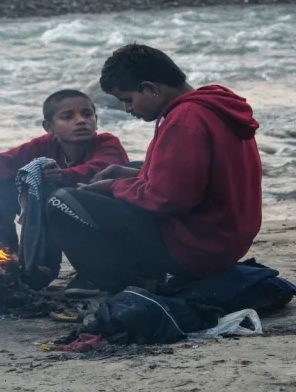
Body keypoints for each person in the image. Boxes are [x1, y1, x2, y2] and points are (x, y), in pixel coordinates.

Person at [46, 44, 262, 294]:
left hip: (198, 248)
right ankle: (145, 271)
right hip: (227, 239)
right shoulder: (213, 104)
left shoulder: (185, 120)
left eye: (128, 100)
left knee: (61, 202)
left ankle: (119, 284)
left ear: (150, 88)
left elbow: (170, 198)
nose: (128, 109)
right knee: (130, 168)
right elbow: (197, 178)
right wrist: (128, 176)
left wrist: (115, 187)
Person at [0, 89, 129, 293]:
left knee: (64, 198)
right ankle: (7, 262)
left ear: (96, 119)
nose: (80, 121)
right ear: (49, 127)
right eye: (68, 117)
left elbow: (103, 168)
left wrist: (65, 176)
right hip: (59, 220)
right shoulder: (42, 147)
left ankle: (92, 273)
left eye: (87, 114)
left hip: (109, 225)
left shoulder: (107, 142)